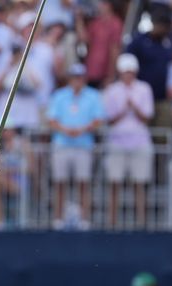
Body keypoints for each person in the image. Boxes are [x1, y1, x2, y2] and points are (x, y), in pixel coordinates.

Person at [47, 62, 104, 230]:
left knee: (83, 183)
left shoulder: (93, 96)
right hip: (62, 144)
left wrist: (81, 130)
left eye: (79, 78)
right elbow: (51, 119)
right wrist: (66, 130)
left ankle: (84, 220)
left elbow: (98, 119)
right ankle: (58, 219)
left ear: (84, 79)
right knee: (59, 182)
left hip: (83, 145)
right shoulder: (59, 95)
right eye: (73, 78)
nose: (76, 81)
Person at [103, 53, 155, 229]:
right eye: (125, 71)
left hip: (140, 142)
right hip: (117, 142)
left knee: (139, 184)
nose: (128, 75)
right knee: (114, 183)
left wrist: (134, 107)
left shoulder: (144, 89)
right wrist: (124, 109)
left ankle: (141, 223)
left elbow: (147, 117)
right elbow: (108, 119)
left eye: (131, 71)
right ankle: (112, 223)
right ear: (120, 72)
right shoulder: (112, 90)